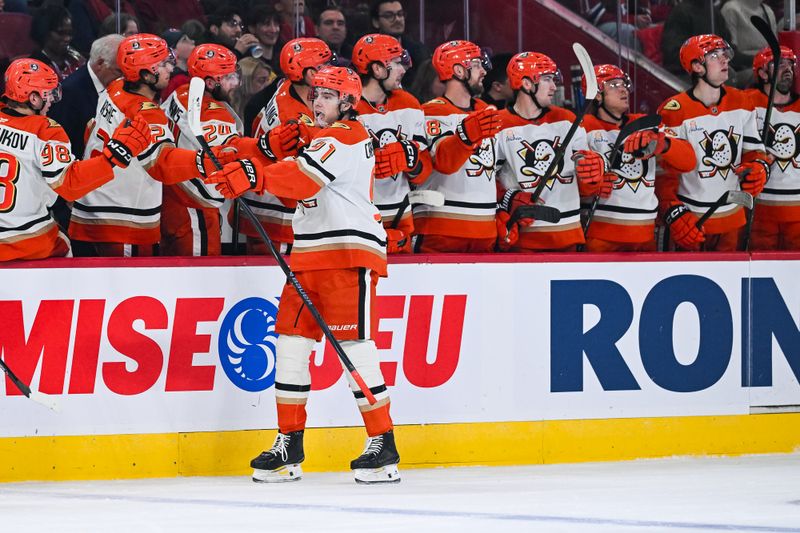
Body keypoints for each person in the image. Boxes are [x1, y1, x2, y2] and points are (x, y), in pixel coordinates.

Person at [205, 66, 399, 485]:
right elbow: (277, 155)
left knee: (355, 349)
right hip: (308, 256)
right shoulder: (318, 136)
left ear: (347, 103)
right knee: (291, 346)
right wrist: (241, 156)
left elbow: (301, 181)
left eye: (328, 96)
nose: (317, 102)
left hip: (348, 254)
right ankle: (288, 443)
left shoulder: (347, 135)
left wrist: (253, 174)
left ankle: (383, 443)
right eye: (315, 95)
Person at [68, 33, 226, 257]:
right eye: (162, 64)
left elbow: (89, 129)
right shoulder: (145, 114)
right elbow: (163, 164)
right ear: (144, 74)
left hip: (96, 204)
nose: (170, 69)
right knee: (129, 290)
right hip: (123, 217)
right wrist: (204, 160)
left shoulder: (115, 87)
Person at [0, 58, 151, 261]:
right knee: (63, 243)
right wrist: (115, 155)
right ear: (34, 98)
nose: (53, 99)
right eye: (49, 93)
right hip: (24, 240)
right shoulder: (45, 131)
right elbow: (69, 186)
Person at [656, 34, 768, 251]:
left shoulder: (742, 101)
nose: (725, 60)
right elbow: (664, 173)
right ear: (697, 66)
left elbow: (754, 152)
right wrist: (672, 211)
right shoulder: (674, 110)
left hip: (733, 219)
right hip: (692, 221)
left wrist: (759, 169)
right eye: (715, 56)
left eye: (725, 55)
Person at [492, 52, 606, 252]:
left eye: (554, 79)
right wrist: (510, 198)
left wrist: (593, 172)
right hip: (523, 242)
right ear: (527, 84)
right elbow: (486, 179)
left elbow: (586, 185)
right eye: (547, 79)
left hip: (569, 234)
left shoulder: (567, 119)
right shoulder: (498, 124)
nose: (554, 87)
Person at [580, 64, 696, 252]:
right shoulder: (583, 128)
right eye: (613, 85)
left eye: (624, 84)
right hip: (600, 236)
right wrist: (588, 185)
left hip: (645, 234)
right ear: (597, 94)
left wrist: (663, 144)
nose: (623, 89)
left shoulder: (646, 123)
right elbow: (571, 179)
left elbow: (689, 161)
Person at [245, 38, 332, 253]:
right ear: (311, 74)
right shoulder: (291, 117)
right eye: (325, 65)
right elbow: (295, 184)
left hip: (266, 207)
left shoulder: (289, 87)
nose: (331, 70)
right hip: (277, 218)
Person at [414, 40, 502, 253]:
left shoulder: (487, 110)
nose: (483, 71)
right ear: (459, 70)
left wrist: (505, 204)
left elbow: (494, 170)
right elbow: (444, 162)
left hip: (486, 230)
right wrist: (465, 135)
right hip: (441, 229)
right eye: (477, 65)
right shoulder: (430, 112)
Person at [353, 33, 432, 253]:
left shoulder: (409, 103)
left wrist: (411, 159)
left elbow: (424, 171)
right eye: (397, 63)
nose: (404, 69)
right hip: (356, 219)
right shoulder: (347, 106)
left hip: (401, 219)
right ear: (377, 69)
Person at [745, 46, 800, 250]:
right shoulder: (746, 104)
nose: (787, 70)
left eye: (790, 65)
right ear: (761, 73)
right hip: (759, 209)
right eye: (779, 65)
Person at [49, 33, 124, 158]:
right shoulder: (68, 94)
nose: (124, 78)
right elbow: (62, 146)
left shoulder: (116, 86)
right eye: (119, 71)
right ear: (100, 64)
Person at [370, 0, 429, 86]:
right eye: (389, 16)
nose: (397, 19)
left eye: (400, 14)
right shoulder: (369, 52)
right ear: (376, 22)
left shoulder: (419, 51)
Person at [30, 5, 86, 82]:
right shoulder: (34, 65)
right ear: (44, 32)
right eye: (61, 33)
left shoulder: (75, 58)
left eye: (69, 33)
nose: (67, 39)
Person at [231, 57, 276, 124]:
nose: (267, 84)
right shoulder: (227, 107)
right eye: (261, 80)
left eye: (268, 80)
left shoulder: (268, 106)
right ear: (245, 81)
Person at [161, 28, 196, 99]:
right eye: (184, 40)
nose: (192, 41)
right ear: (173, 51)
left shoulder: (190, 73)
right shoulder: (176, 81)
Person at [247, 5, 283, 75]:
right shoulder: (247, 61)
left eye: (276, 24)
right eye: (266, 24)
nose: (273, 30)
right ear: (252, 28)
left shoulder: (283, 57)